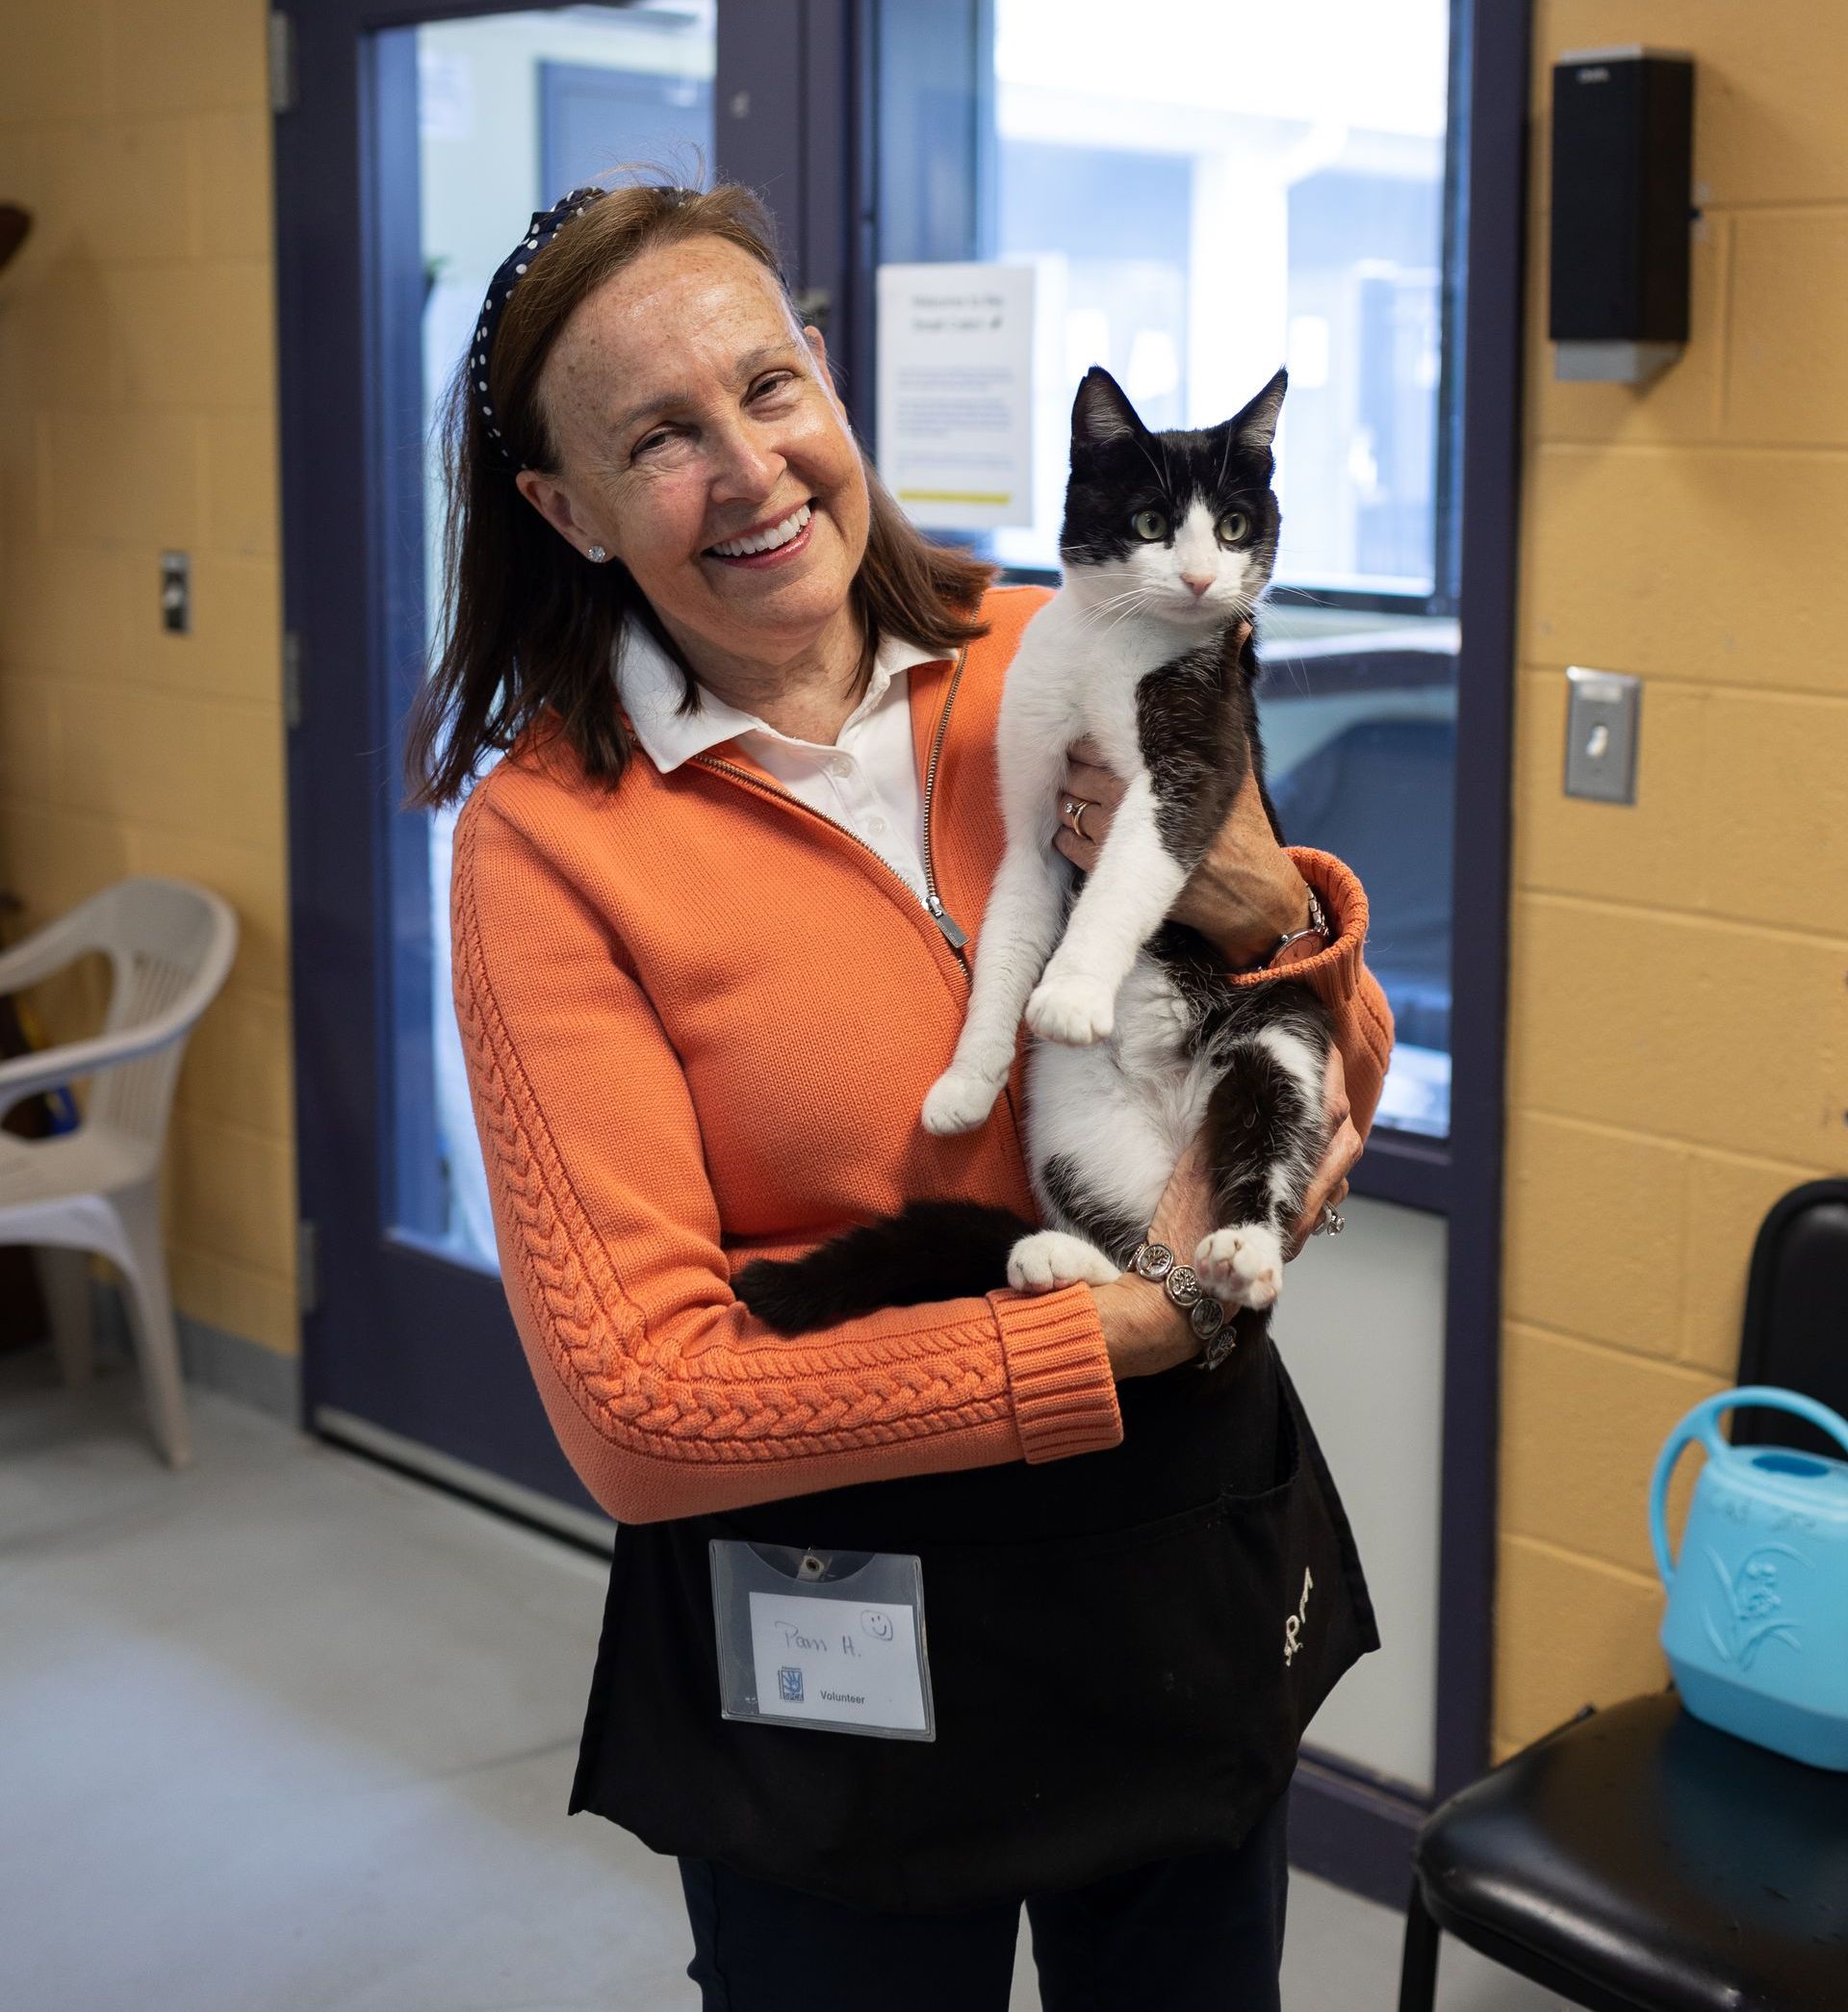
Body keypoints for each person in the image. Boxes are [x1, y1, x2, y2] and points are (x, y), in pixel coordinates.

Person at [409, 178, 1394, 2011]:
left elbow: (1338, 1051)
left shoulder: (1058, 644)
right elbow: (640, 1409)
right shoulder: (549, 840)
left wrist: (1273, 907)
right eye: (658, 437)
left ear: (832, 387)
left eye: (769, 387)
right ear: (568, 509)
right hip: (841, 1625)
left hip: (1168, 1563)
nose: (752, 467)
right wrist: (1122, 1332)